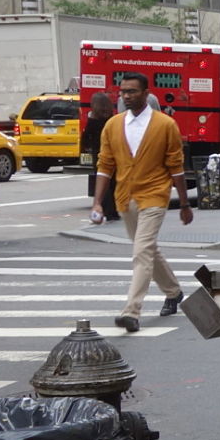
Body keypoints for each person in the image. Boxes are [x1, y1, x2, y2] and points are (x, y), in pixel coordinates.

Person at [91, 71, 190, 332]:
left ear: (146, 94)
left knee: (141, 251)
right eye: (123, 91)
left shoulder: (165, 124)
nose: (126, 96)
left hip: (155, 195)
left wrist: (184, 203)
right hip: (125, 197)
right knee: (147, 250)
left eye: (132, 91)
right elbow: (104, 166)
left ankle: (131, 311)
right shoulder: (113, 125)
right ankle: (173, 291)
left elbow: (176, 167)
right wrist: (97, 203)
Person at [83, 91, 120, 223]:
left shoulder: (93, 120)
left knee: (103, 184)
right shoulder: (112, 119)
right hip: (114, 152)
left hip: (99, 154)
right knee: (114, 182)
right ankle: (115, 210)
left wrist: (85, 148)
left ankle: (107, 210)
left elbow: (86, 137)